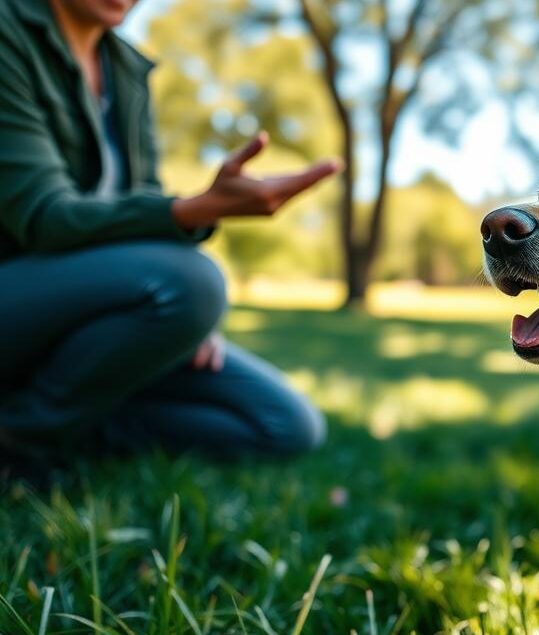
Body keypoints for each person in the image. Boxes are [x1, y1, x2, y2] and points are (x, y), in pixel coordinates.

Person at [0, 0, 341, 462]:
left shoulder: (124, 68)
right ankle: (19, 440)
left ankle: (73, 428)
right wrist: (194, 210)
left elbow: (143, 216)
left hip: (93, 322)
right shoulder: (9, 31)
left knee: (285, 426)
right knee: (195, 282)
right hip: (18, 298)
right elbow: (43, 216)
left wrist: (191, 322)